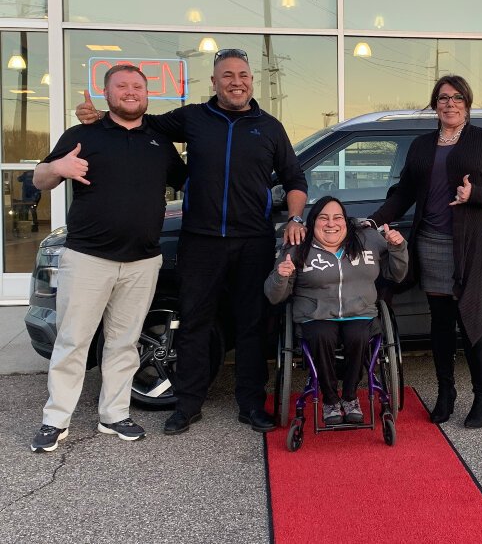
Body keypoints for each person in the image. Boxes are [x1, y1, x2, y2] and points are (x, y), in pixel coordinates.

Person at [76, 48, 307, 435]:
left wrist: (296, 216)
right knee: (195, 323)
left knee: (253, 325)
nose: (237, 81)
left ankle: (251, 404)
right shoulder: (193, 118)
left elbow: (295, 180)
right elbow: (138, 122)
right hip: (200, 241)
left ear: (252, 80)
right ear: (214, 82)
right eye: (227, 75)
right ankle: (187, 405)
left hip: (253, 240)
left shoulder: (269, 127)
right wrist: (99, 117)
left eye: (243, 75)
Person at [30, 65, 187, 452]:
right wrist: (56, 168)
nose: (130, 92)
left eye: (137, 86)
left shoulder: (160, 141)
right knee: (72, 340)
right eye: (122, 86)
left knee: (124, 342)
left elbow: (189, 182)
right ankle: (55, 420)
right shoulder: (83, 135)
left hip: (143, 261)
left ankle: (114, 415)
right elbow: (39, 179)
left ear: (147, 94)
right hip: (87, 258)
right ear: (106, 92)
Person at [367, 75, 482, 429]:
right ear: (435, 104)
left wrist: (474, 195)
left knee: (471, 319)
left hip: (469, 244)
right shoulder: (421, 145)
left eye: (457, 97)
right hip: (430, 241)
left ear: (467, 103)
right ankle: (446, 394)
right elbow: (404, 193)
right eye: (443, 98)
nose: (450, 103)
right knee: (441, 322)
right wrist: (373, 222)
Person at [264, 197, 407, 425]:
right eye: (324, 218)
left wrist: (397, 247)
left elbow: (396, 274)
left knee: (358, 335)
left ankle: (350, 397)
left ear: (346, 221)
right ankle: (330, 399)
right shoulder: (298, 243)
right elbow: (274, 296)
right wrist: (281, 276)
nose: (331, 223)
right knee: (322, 335)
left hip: (359, 309)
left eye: (337, 217)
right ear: (312, 223)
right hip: (315, 312)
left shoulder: (367, 238)